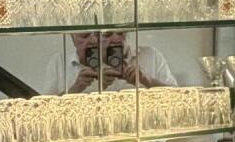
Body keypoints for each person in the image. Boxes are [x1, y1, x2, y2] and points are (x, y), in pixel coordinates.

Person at [46, 30, 175, 94]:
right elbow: (45, 113)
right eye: (107, 34)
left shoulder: (151, 56)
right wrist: (76, 88)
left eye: (121, 33)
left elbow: (181, 98)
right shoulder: (60, 63)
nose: (115, 39)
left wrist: (147, 80)